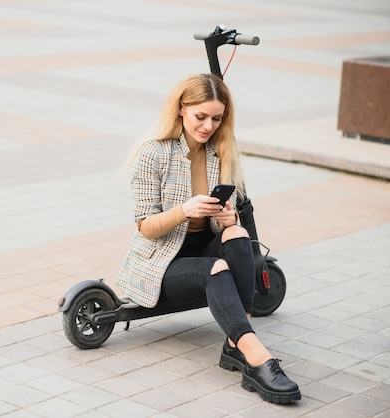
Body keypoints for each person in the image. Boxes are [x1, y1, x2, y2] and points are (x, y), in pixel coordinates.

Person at [116, 73, 300, 404]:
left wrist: (228, 218)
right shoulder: (153, 153)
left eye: (217, 118)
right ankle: (257, 358)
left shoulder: (219, 152)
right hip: (162, 262)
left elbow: (227, 223)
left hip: (204, 250)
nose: (208, 126)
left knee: (237, 233)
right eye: (200, 117)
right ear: (181, 109)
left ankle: (235, 345)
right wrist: (184, 210)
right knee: (215, 267)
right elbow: (144, 226)